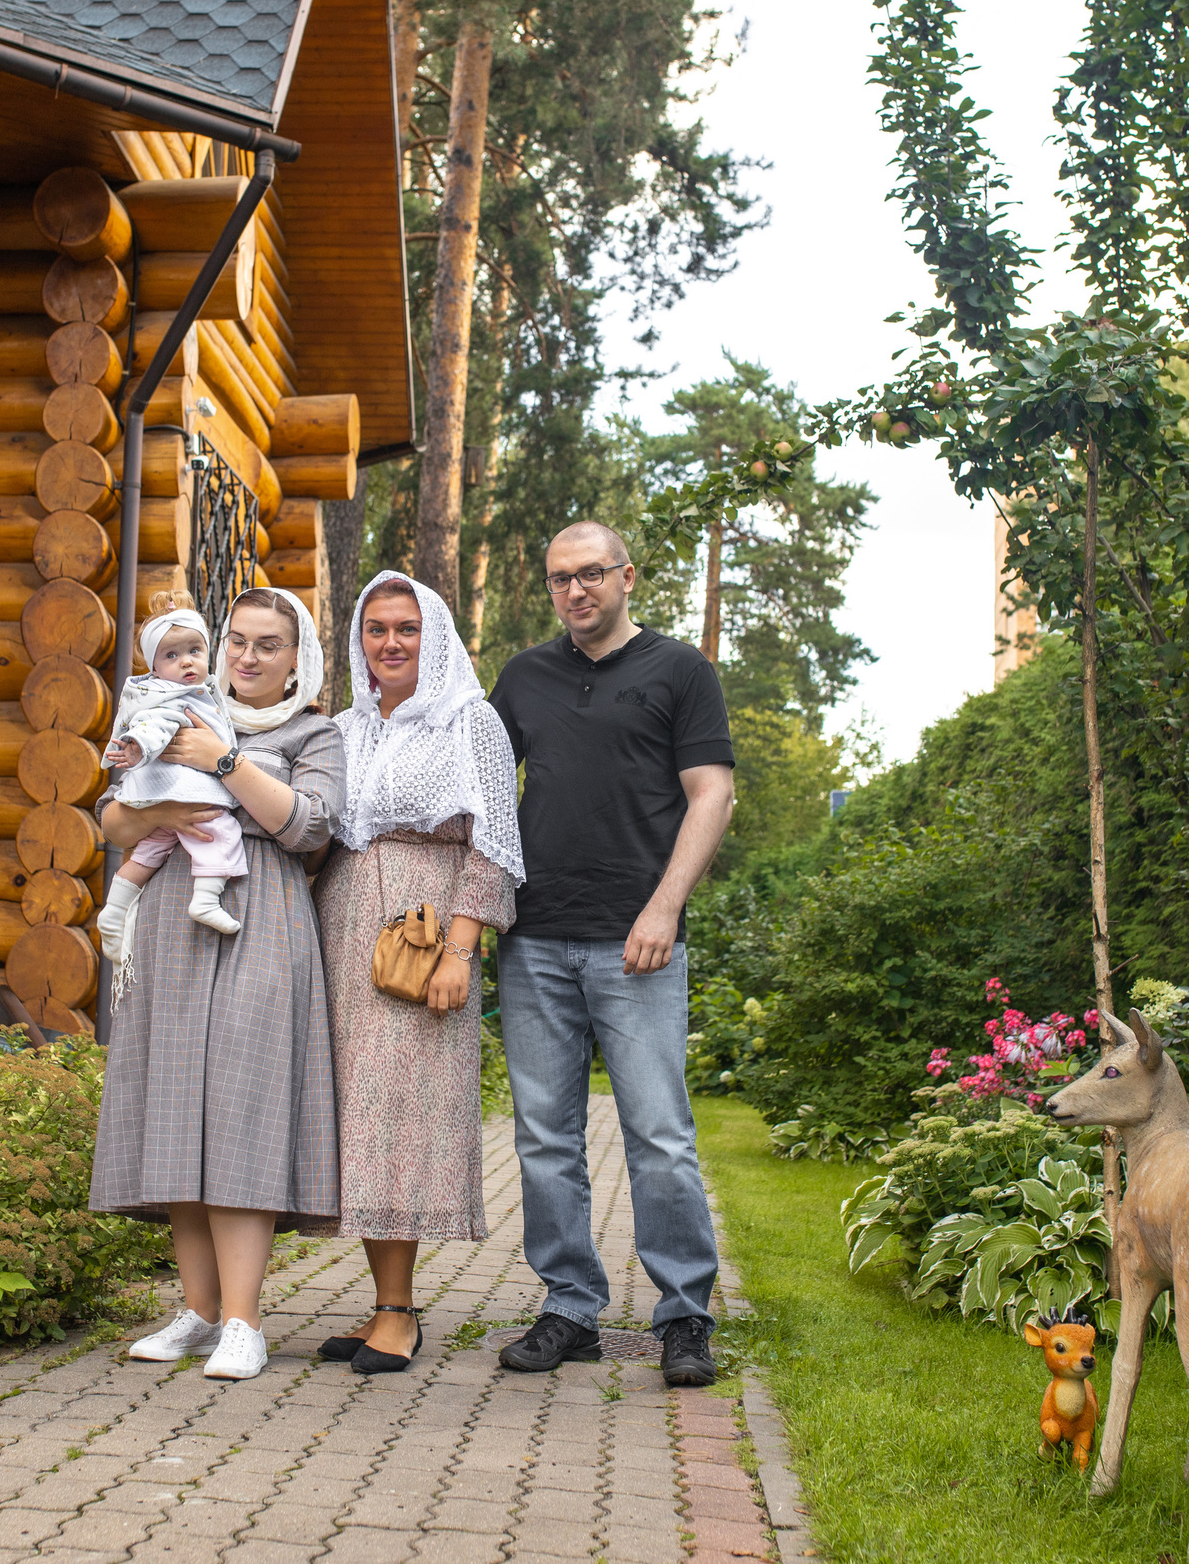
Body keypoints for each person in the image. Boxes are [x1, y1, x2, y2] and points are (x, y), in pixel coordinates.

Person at [487, 521, 736, 1387]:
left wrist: (665, 906)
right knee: (545, 1138)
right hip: (534, 939)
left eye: (591, 573)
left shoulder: (679, 672)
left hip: (639, 942)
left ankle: (685, 1316)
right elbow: (478, 791)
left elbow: (713, 794)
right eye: (560, 578)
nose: (575, 591)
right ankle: (568, 1304)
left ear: (626, 576)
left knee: (659, 1136)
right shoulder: (522, 677)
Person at [88, 587, 344, 1382]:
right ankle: (198, 1311)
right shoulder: (180, 704)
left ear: (297, 655)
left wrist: (224, 764)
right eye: (238, 640)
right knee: (177, 1104)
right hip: (168, 923)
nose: (247, 656)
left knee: (242, 1105)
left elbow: (309, 827)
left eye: (269, 644)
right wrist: (161, 797)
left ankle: (244, 1320)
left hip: (263, 916)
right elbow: (114, 819)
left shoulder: (314, 730)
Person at [311, 571, 523, 1374]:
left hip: (421, 933)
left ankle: (399, 1312)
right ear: (358, 640)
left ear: (433, 636)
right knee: (356, 1119)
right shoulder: (344, 726)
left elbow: (494, 842)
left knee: (396, 1116)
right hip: (342, 927)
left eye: (407, 628)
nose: (391, 642)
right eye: (376, 629)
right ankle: (379, 1306)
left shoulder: (472, 723)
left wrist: (461, 952)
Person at [96, 605, 247, 949]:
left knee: (148, 852)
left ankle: (114, 909)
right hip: (183, 791)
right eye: (172, 655)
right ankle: (206, 899)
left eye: (195, 651)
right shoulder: (172, 697)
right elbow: (155, 726)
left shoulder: (194, 692)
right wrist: (139, 747)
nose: (186, 662)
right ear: (154, 668)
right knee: (221, 832)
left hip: (164, 794)